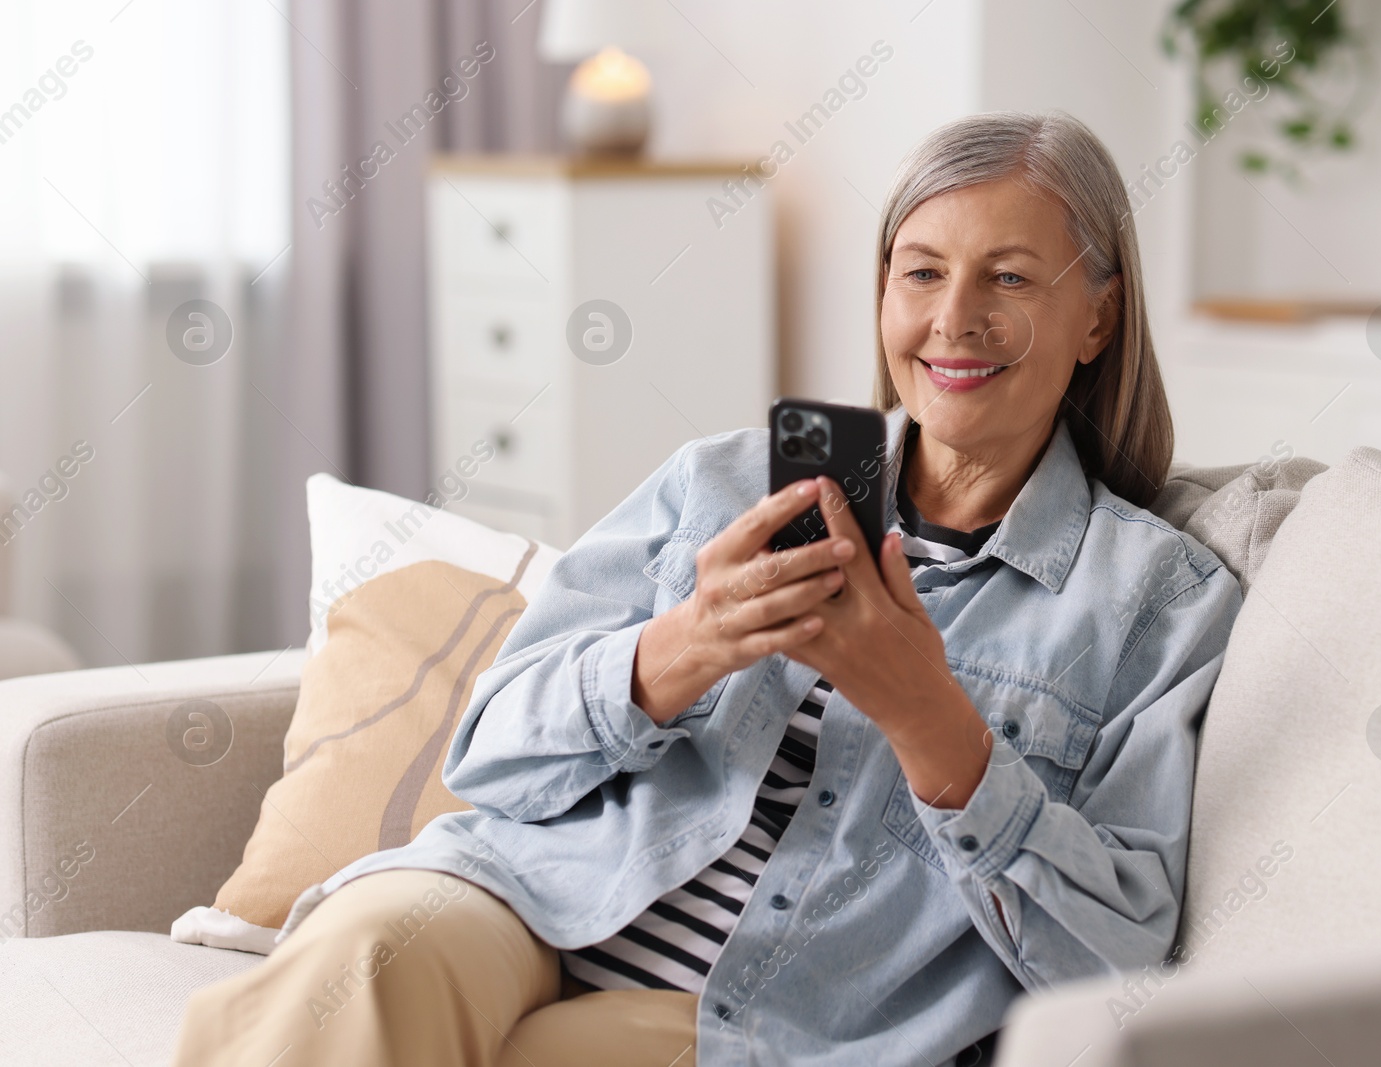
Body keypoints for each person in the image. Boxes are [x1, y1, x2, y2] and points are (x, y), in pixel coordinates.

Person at [173, 109, 1242, 1067]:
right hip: (525, 895)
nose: (951, 317)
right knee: (362, 958)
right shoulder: (722, 482)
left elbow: (1117, 958)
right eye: (920, 272)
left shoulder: (1158, 599)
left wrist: (933, 724)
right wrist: (680, 647)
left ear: (1097, 319)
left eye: (1009, 277)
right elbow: (488, 748)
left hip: (770, 1018)